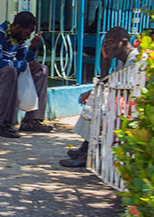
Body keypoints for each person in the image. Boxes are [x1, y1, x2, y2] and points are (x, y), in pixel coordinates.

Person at [59, 27, 138, 168]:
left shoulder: (134, 60)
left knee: (98, 100)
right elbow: (107, 82)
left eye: (111, 42)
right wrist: (105, 61)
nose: (107, 46)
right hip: (118, 102)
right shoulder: (121, 62)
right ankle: (86, 147)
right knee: (96, 98)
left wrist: (96, 92)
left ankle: (88, 150)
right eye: (106, 43)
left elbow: (122, 89)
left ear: (124, 42)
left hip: (129, 106)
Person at [0, 10, 52, 138]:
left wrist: (32, 49)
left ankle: (31, 121)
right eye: (27, 33)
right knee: (9, 70)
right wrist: (22, 65)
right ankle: (4, 124)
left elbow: (24, 60)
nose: (27, 37)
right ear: (17, 27)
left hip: (4, 79)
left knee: (41, 70)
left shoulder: (19, 39)